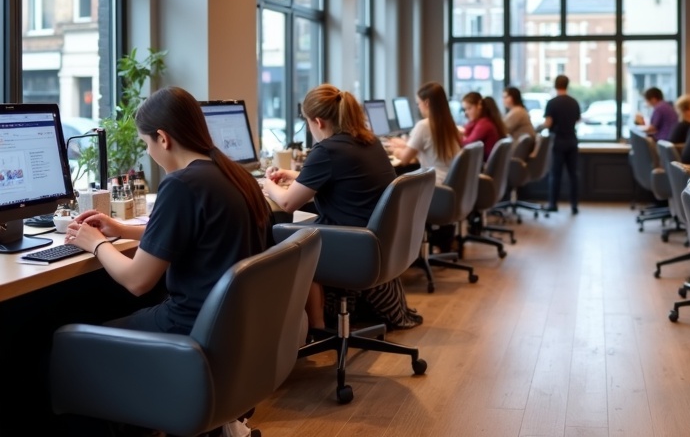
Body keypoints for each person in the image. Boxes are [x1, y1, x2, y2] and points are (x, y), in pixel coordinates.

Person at [66, 86, 270, 335]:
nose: (149, 153)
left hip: (191, 326)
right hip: (231, 325)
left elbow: (137, 281)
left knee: (65, 338)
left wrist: (96, 243)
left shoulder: (182, 184)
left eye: (146, 144)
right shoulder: (235, 174)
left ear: (162, 138)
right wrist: (121, 229)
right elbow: (197, 234)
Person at [262, 84, 421, 331]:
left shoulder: (326, 150)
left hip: (352, 242)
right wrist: (293, 175)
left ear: (318, 121)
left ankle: (317, 326)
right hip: (377, 240)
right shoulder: (368, 141)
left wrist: (266, 183)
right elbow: (340, 176)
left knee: (293, 238)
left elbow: (287, 202)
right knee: (301, 226)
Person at [389, 81, 462, 183]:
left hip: (436, 184)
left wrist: (395, 151)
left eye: (418, 103)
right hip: (450, 182)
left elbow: (405, 159)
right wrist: (405, 145)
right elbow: (430, 147)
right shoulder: (448, 123)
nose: (418, 107)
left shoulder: (424, 125)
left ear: (426, 103)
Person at [542, 74, 581, 214]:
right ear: (567, 85)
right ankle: (574, 205)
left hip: (558, 141)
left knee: (555, 174)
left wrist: (538, 128)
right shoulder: (574, 102)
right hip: (572, 140)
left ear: (555, 85)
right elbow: (577, 120)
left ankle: (553, 204)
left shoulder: (552, 103)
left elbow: (548, 123)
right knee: (573, 175)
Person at [461, 91, 507, 159]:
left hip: (484, 166)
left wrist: (457, 137)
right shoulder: (484, 121)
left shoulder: (484, 124)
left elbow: (466, 144)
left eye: (469, 108)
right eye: (465, 109)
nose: (466, 113)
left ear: (479, 106)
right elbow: (467, 132)